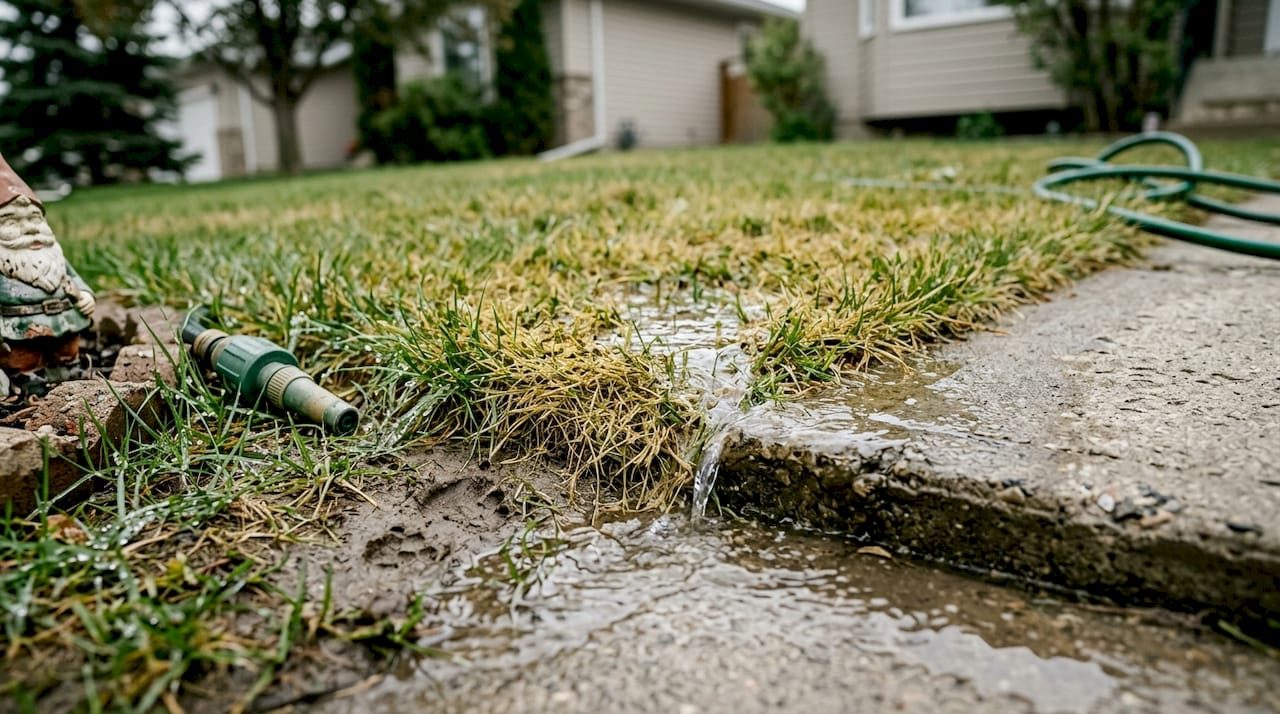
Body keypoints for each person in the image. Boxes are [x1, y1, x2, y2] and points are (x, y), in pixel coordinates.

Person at [0, 151, 95, 391]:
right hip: (20, 327)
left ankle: (70, 375)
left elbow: (74, 278)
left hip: (66, 320)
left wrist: (85, 294)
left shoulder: (53, 254)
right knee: (25, 358)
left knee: (67, 352)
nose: (30, 229)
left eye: (34, 219)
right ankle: (28, 382)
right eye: (13, 223)